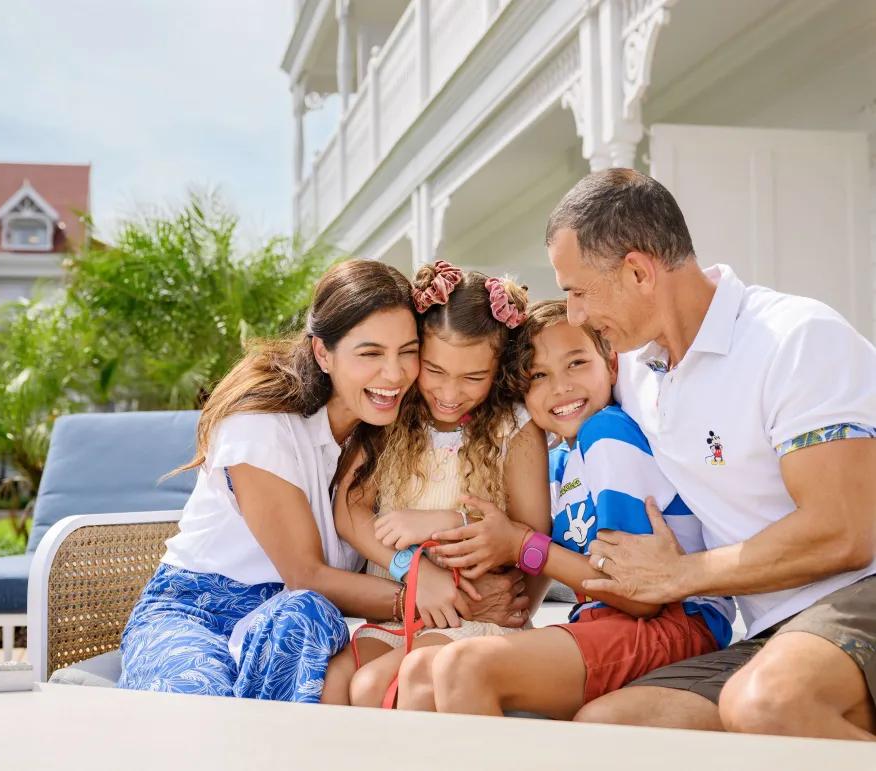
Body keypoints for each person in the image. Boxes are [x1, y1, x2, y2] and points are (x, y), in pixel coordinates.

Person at [546, 169, 876, 740]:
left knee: (768, 704)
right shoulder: (637, 374)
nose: (573, 315)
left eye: (577, 291)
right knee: (612, 728)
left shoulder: (795, 339)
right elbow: (534, 399)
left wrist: (681, 575)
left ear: (638, 271)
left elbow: (846, 531)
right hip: (774, 627)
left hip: (861, 590)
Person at [117, 259, 531, 703]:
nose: (393, 374)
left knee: (304, 617)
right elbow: (306, 574)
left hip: (307, 622)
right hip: (200, 612)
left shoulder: (393, 424)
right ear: (323, 353)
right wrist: (429, 591)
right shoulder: (262, 425)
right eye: (370, 354)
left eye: (407, 352)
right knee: (199, 699)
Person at [412, 299, 734, 717]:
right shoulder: (563, 463)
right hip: (605, 621)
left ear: (612, 367)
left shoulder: (608, 433)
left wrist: (521, 545)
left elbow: (637, 594)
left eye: (576, 363)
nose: (560, 387)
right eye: (538, 375)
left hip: (676, 621)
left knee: (464, 665)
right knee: (421, 670)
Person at [327, 261, 549, 709]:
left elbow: (531, 536)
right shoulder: (393, 413)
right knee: (337, 682)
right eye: (435, 371)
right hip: (402, 604)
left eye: (473, 377)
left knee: (375, 688)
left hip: (472, 615)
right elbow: (350, 512)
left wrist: (443, 521)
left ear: (497, 369)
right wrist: (410, 567)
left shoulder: (513, 428)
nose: (450, 393)